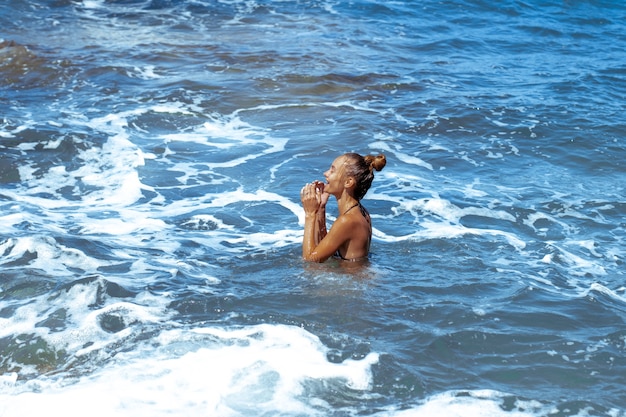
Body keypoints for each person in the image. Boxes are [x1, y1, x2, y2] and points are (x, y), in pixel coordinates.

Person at [300, 152, 386, 263]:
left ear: (348, 182)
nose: (325, 173)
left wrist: (310, 214)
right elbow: (325, 250)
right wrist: (320, 208)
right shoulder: (361, 212)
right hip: (358, 277)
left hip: (351, 280)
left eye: (332, 171)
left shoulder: (347, 221)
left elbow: (310, 261)